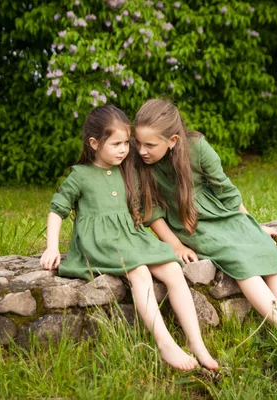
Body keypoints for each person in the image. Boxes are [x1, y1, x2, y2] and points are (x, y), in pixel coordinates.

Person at [133, 98, 277, 368]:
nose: (142, 150)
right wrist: (175, 245)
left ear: (172, 140)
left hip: (223, 215)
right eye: (138, 142)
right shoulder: (141, 163)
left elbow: (225, 190)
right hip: (191, 225)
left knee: (266, 250)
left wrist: (251, 224)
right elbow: (152, 213)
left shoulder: (196, 147)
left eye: (150, 145)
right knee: (240, 261)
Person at [40, 105, 219, 371]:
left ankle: (196, 342)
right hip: (100, 242)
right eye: (116, 144)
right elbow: (57, 210)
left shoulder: (128, 171)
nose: (124, 149)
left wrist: (173, 243)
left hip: (129, 237)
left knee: (172, 268)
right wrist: (52, 247)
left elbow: (144, 212)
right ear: (94, 143)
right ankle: (165, 344)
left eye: (126, 143)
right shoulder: (80, 175)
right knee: (140, 272)